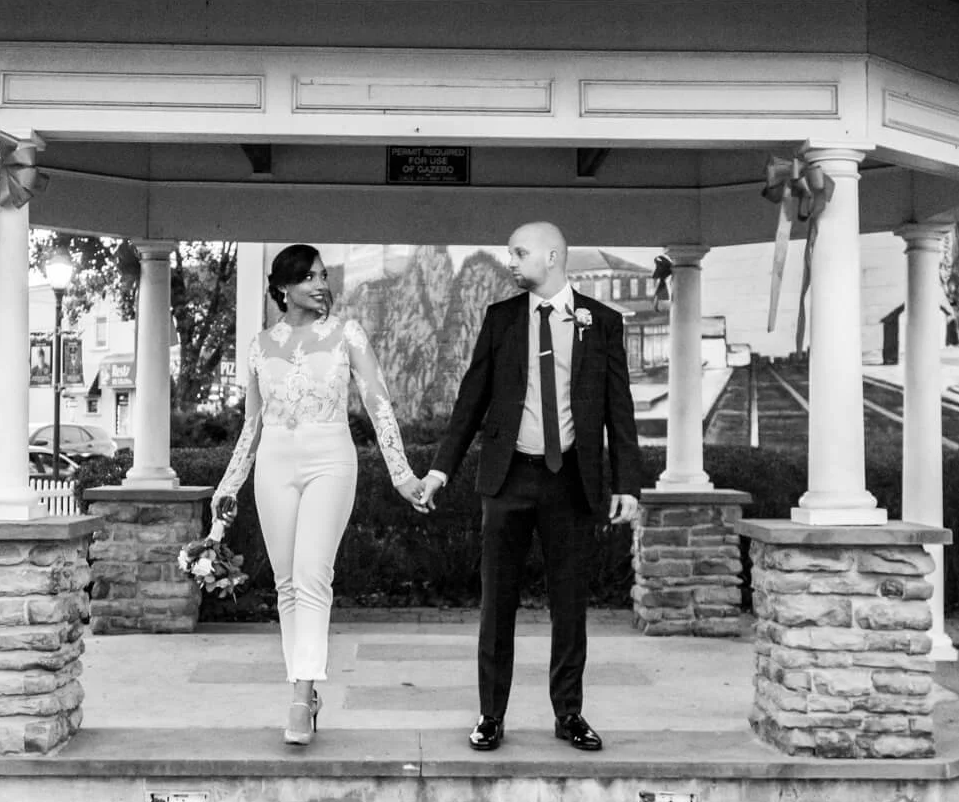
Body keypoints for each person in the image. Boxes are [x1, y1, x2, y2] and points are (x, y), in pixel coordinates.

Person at [421, 221, 642, 752]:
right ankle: (490, 715)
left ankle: (569, 714)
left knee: (570, 605)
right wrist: (440, 470)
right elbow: (471, 400)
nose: (511, 262)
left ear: (552, 256)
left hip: (572, 480)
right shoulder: (501, 320)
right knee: (497, 603)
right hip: (508, 478)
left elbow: (619, 408)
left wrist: (627, 484)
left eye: (520, 253)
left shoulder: (602, 322)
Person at [211, 244, 428, 746]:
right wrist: (228, 487)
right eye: (309, 277)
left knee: (312, 576)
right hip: (274, 464)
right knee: (287, 583)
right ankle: (303, 689)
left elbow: (379, 404)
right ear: (283, 287)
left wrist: (401, 473)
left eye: (323, 276)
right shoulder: (259, 345)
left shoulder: (347, 334)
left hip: (330, 459)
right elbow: (251, 426)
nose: (321, 285)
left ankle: (300, 695)